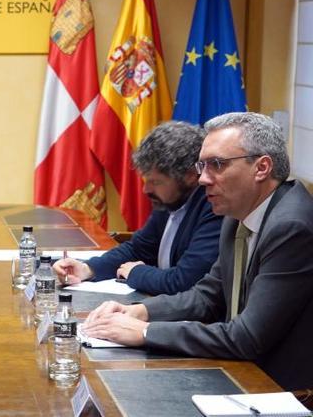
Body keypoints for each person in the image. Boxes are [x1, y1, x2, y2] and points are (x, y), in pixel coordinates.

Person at [83, 112, 313, 391]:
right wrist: (140, 311)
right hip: (239, 370)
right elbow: (206, 296)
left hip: (281, 388)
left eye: (216, 164)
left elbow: (247, 337)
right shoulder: (237, 211)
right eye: (202, 166)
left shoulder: (291, 227)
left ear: (262, 167)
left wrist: (146, 332)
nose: (203, 179)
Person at [53, 121, 222, 295]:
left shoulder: (214, 208)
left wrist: (136, 272)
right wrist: (88, 269)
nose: (146, 189)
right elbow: (138, 249)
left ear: (190, 176)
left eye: (155, 182)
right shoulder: (170, 201)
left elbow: (184, 281)